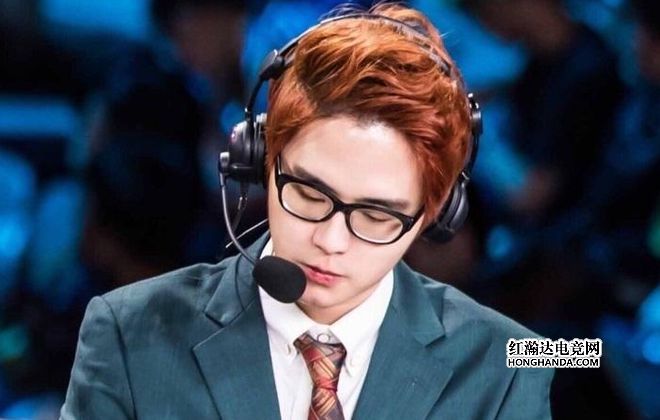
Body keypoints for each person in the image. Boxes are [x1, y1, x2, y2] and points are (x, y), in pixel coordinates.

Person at [60, 3, 553, 419]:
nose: (330, 241)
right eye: (309, 194)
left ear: (433, 216)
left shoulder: (509, 368)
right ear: (262, 160)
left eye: (376, 216)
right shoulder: (124, 333)